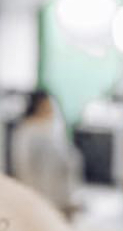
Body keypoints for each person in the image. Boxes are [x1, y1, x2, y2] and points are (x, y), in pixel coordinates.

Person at [10, 90, 83, 218]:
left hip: (60, 201)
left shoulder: (51, 130)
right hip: (42, 200)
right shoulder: (28, 132)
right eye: (46, 107)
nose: (50, 111)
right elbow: (26, 169)